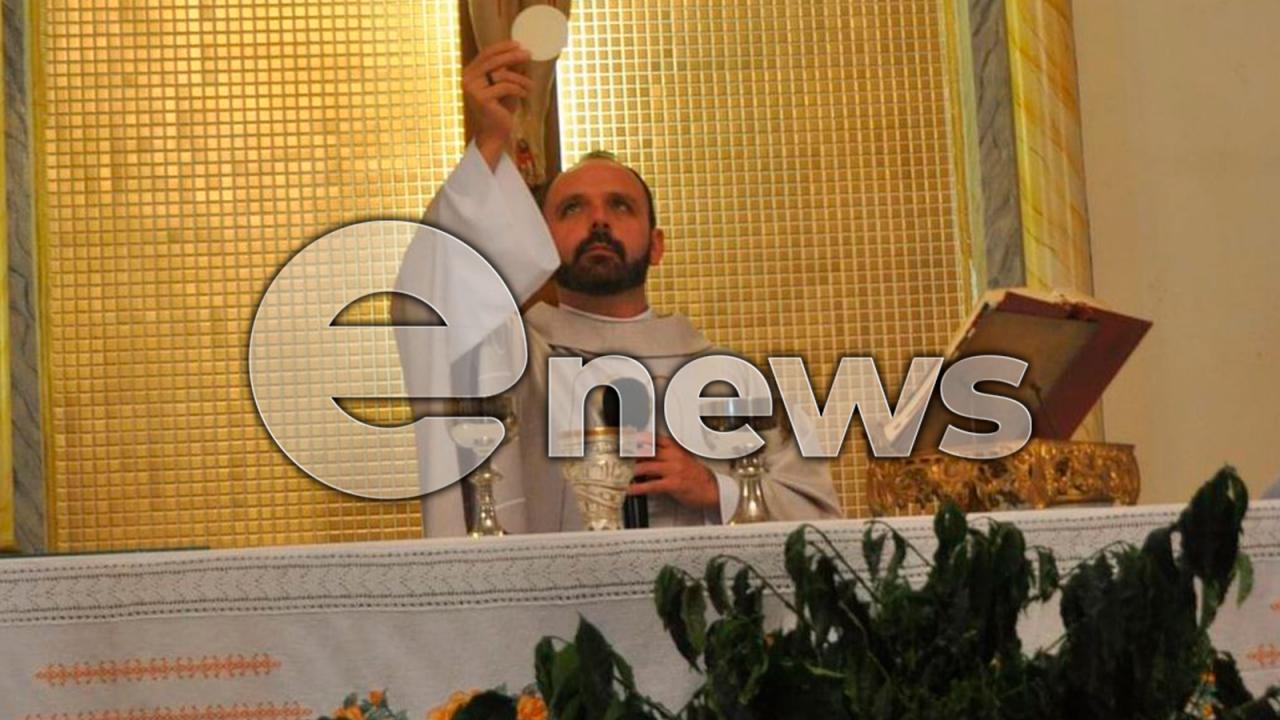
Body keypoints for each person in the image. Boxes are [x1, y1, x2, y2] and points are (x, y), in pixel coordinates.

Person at [409, 41, 841, 535]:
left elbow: (823, 520)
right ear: (540, 243)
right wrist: (488, 142)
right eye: (572, 209)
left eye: (620, 206)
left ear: (656, 246)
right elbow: (434, 299)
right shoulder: (513, 362)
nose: (598, 221)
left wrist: (713, 489)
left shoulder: (730, 383)